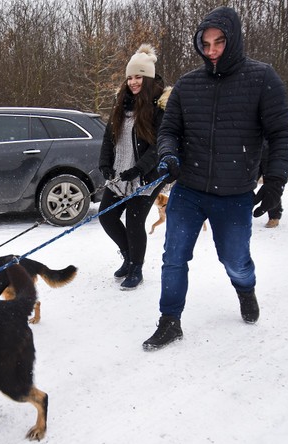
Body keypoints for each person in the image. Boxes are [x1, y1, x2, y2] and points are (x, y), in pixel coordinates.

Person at [144, 6, 288, 350]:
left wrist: (275, 181)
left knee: (234, 260)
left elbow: (282, 132)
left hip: (235, 193)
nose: (211, 51)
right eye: (206, 44)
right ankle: (170, 320)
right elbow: (169, 129)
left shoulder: (262, 78)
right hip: (190, 189)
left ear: (234, 41)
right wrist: (169, 154)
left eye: (219, 42)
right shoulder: (187, 84)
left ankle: (245, 289)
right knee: (174, 255)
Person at [98, 44, 170, 290]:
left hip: (146, 174)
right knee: (106, 216)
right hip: (121, 170)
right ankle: (128, 256)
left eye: (138, 76)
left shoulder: (160, 106)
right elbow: (110, 137)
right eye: (130, 77)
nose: (133, 82)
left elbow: (160, 145)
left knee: (134, 221)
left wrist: (139, 169)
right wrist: (105, 165)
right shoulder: (122, 103)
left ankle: (136, 268)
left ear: (148, 77)